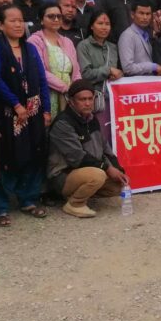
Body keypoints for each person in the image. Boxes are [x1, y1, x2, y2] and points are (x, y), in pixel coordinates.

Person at [0, 5, 50, 225]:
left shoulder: (30, 47)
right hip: (7, 114)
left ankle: (29, 199)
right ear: (0, 25)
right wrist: (15, 104)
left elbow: (41, 79)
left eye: (20, 20)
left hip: (33, 112)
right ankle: (0, 208)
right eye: (12, 20)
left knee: (33, 154)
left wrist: (46, 109)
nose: (18, 24)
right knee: (5, 157)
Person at [47, 80, 128, 218]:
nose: (88, 103)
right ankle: (75, 204)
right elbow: (77, 158)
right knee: (98, 175)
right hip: (63, 175)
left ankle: (77, 194)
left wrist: (118, 170)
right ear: (71, 101)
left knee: (118, 185)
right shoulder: (63, 123)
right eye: (82, 99)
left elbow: (106, 149)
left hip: (88, 169)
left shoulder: (91, 119)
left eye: (90, 99)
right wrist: (107, 168)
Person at [28, 2, 82, 117]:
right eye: (51, 16)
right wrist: (64, 88)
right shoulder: (34, 41)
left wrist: (77, 89)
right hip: (47, 93)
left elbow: (76, 71)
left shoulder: (67, 41)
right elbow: (40, 71)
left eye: (59, 16)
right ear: (41, 20)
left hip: (69, 94)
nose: (56, 19)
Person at [76, 9, 122, 143]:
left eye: (107, 24)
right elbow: (85, 74)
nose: (104, 27)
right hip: (93, 101)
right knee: (98, 137)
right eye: (100, 23)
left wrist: (118, 74)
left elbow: (118, 71)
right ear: (91, 26)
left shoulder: (113, 47)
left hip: (113, 100)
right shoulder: (83, 46)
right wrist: (108, 70)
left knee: (114, 137)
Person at [119, 0, 161, 76]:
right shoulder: (127, 36)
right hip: (136, 82)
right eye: (141, 13)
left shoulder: (146, 34)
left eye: (148, 14)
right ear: (132, 15)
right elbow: (128, 68)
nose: (145, 17)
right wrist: (153, 67)